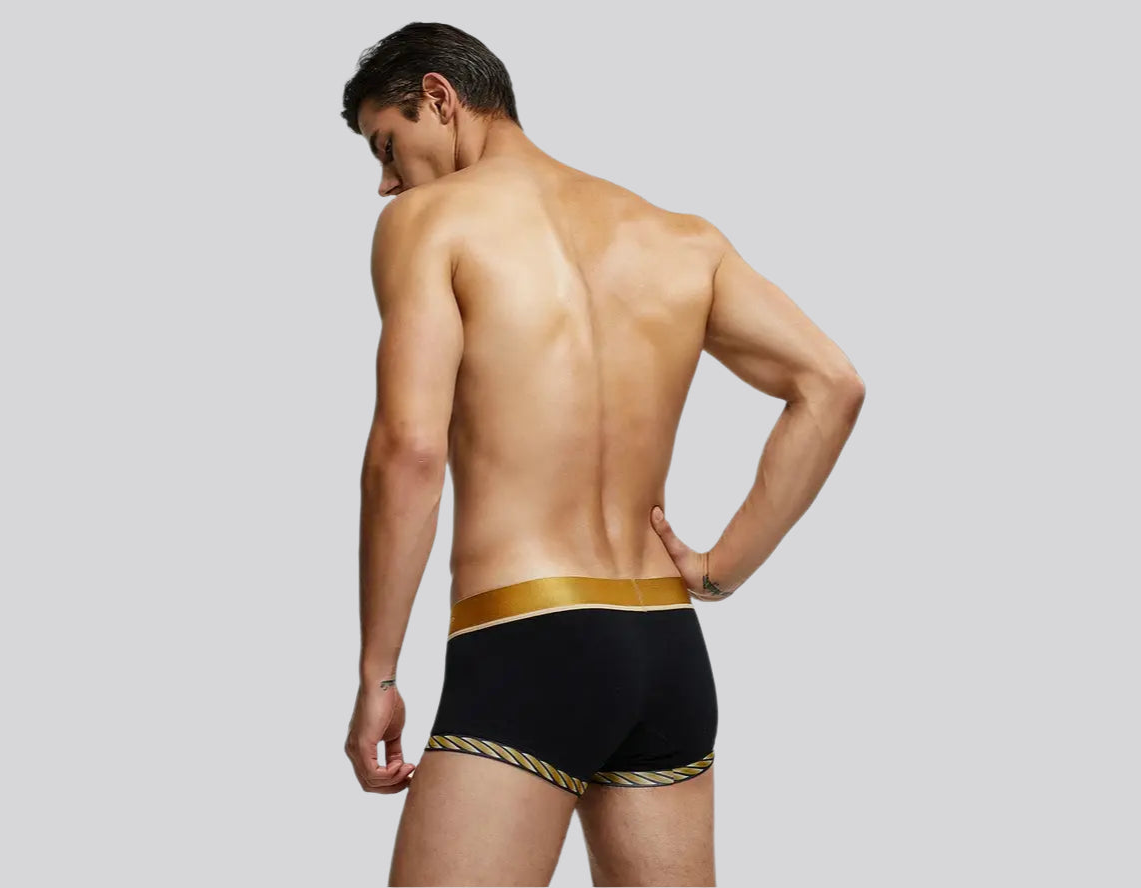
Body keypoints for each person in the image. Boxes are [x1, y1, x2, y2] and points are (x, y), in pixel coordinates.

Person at [340, 21, 865, 887]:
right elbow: (830, 384)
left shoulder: (429, 223)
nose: (387, 182)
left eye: (386, 146)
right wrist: (720, 569)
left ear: (439, 96)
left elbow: (409, 451)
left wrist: (378, 674)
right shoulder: (679, 237)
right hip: (666, 648)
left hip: (526, 640)